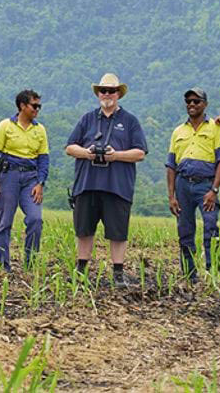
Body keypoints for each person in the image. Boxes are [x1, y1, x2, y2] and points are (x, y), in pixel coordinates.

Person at [64, 72, 148, 286]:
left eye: (111, 91)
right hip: (87, 184)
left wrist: (116, 155)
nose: (107, 94)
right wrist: (87, 153)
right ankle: (81, 271)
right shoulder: (87, 119)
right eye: (103, 90)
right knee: (83, 229)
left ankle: (118, 273)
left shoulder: (130, 121)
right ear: (98, 93)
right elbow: (70, 147)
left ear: (118, 93)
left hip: (117, 186)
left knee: (118, 232)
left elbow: (140, 152)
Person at [165, 88, 220, 281]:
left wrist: (214, 190)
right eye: (188, 101)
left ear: (205, 104)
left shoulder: (216, 129)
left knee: (210, 227)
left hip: (206, 185)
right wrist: (171, 196)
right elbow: (171, 165)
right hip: (183, 185)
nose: (192, 104)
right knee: (184, 231)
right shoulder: (178, 131)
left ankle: (214, 273)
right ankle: (189, 275)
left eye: (196, 101)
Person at [0, 89, 49, 271]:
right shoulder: (5, 126)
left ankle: (30, 264)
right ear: (22, 106)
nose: (37, 109)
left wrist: (40, 183)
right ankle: (2, 264)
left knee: (35, 219)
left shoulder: (40, 129)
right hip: (9, 176)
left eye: (39, 106)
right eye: (34, 106)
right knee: (5, 221)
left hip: (31, 178)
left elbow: (44, 159)